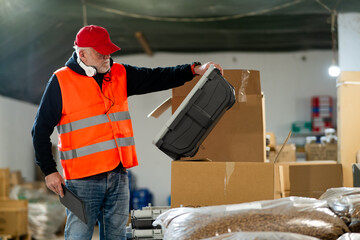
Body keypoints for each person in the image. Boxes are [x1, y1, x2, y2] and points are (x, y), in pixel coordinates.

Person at [31, 25, 223, 240]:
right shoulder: (61, 81)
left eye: (109, 51)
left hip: (118, 176)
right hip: (82, 180)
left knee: (116, 235)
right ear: (82, 53)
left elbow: (156, 77)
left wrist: (194, 69)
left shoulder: (118, 73)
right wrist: (49, 170)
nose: (107, 56)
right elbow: (39, 130)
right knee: (78, 236)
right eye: (100, 52)